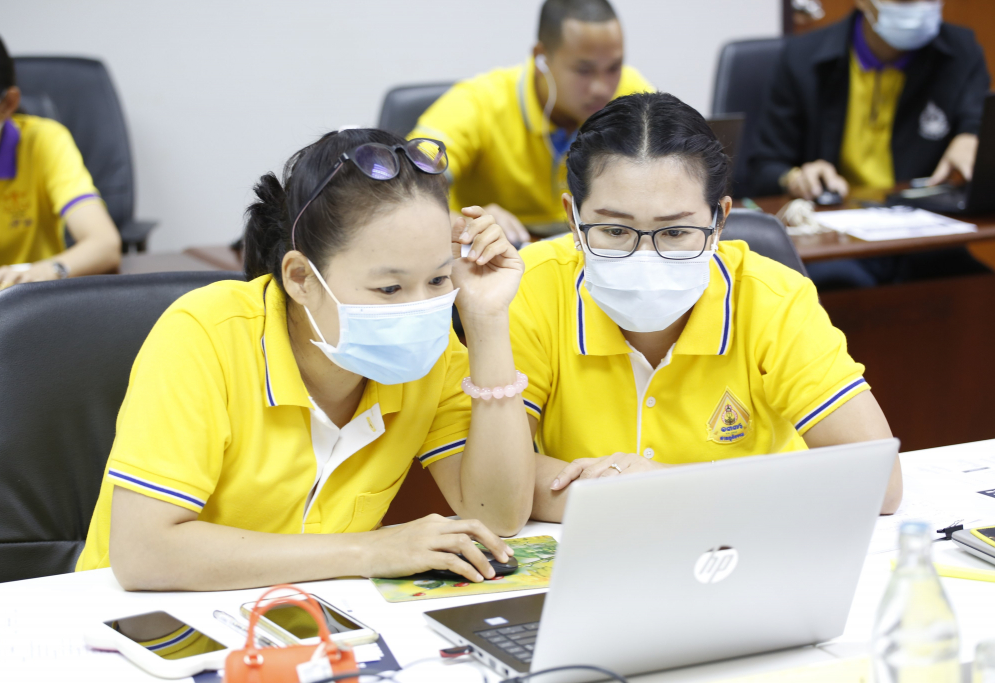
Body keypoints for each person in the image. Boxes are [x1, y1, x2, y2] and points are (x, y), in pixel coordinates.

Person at [76, 129, 535, 590]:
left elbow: (498, 516)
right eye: (389, 288)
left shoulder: (430, 353)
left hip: (309, 616)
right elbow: (144, 552)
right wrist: (368, 551)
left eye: (437, 280)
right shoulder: (205, 334)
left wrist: (487, 319)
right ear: (301, 279)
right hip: (138, 620)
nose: (419, 308)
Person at [509, 92, 903, 523]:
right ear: (572, 218)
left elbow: (878, 484)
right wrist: (688, 495)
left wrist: (666, 488)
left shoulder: (772, 297)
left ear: (720, 220)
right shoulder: (530, 287)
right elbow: (499, 487)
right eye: (615, 231)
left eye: (676, 232)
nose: (646, 256)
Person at [746, 1, 990, 289]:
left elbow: (976, 117)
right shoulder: (802, 57)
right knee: (835, 286)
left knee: (978, 289)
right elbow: (763, 166)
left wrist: (972, 137)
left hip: (924, 238)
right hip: (836, 240)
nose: (920, 6)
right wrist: (796, 178)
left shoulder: (961, 50)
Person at [409, 0, 653, 244]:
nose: (602, 88)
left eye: (614, 68)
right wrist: (467, 224)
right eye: (584, 70)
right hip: (499, 253)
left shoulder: (632, 97)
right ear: (541, 57)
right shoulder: (479, 103)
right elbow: (406, 185)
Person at [0, 27, 121, 301]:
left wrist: (52, 270)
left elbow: (105, 244)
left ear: (7, 103)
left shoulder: (43, 142)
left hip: (28, 307)